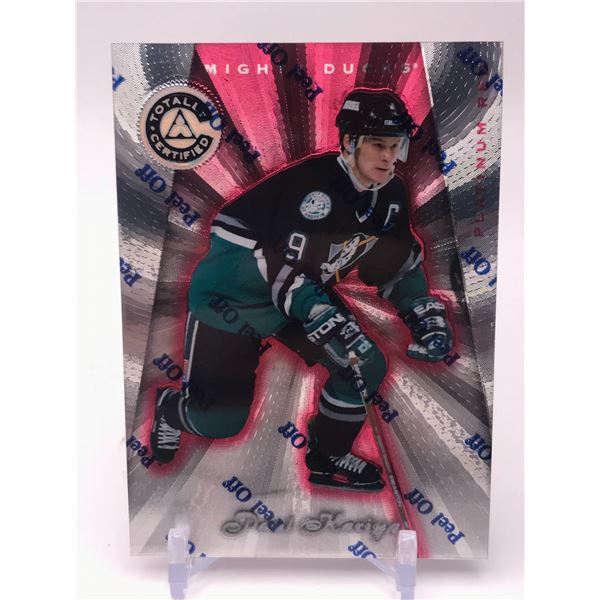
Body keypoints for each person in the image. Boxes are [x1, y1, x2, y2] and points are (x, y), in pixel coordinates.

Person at [150, 88, 453, 492]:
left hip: (299, 296)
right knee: (220, 421)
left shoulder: (391, 196)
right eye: (378, 144)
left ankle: (327, 456)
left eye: (395, 145)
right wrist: (314, 308)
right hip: (234, 296)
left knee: (363, 363)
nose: (388, 156)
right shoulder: (310, 185)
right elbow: (249, 245)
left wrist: (421, 313)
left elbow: (394, 263)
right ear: (350, 142)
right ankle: (172, 410)